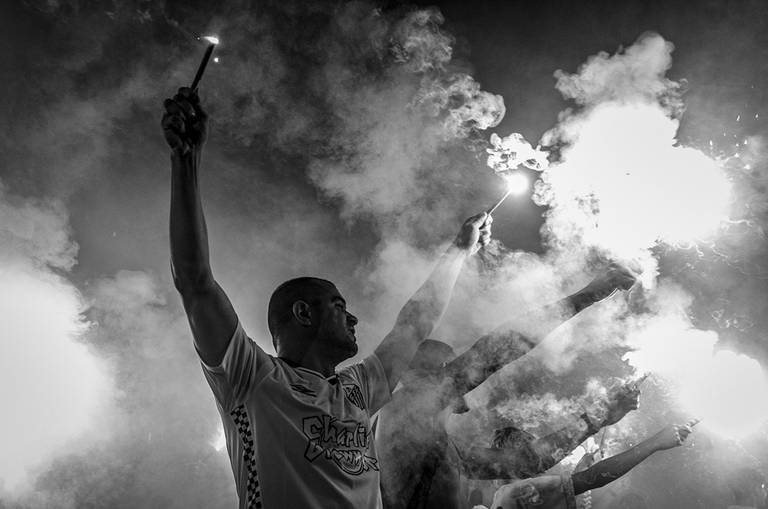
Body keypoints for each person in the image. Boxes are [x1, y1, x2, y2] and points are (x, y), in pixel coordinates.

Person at [161, 86, 492, 508]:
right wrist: (185, 161)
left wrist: (459, 250)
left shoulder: (358, 388)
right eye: (339, 307)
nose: (353, 319)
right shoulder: (251, 376)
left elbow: (415, 322)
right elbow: (195, 282)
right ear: (302, 312)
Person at [375, 266, 638, 509]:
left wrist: (599, 417)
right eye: (447, 368)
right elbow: (497, 350)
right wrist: (588, 295)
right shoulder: (403, 411)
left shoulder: (446, 450)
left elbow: (529, 462)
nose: (454, 374)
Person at [488, 421, 696, 509]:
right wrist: (655, 442)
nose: (542, 460)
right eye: (534, 453)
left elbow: (581, 482)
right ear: (518, 458)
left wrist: (580, 471)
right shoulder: (515, 493)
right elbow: (592, 479)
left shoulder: (501, 497)